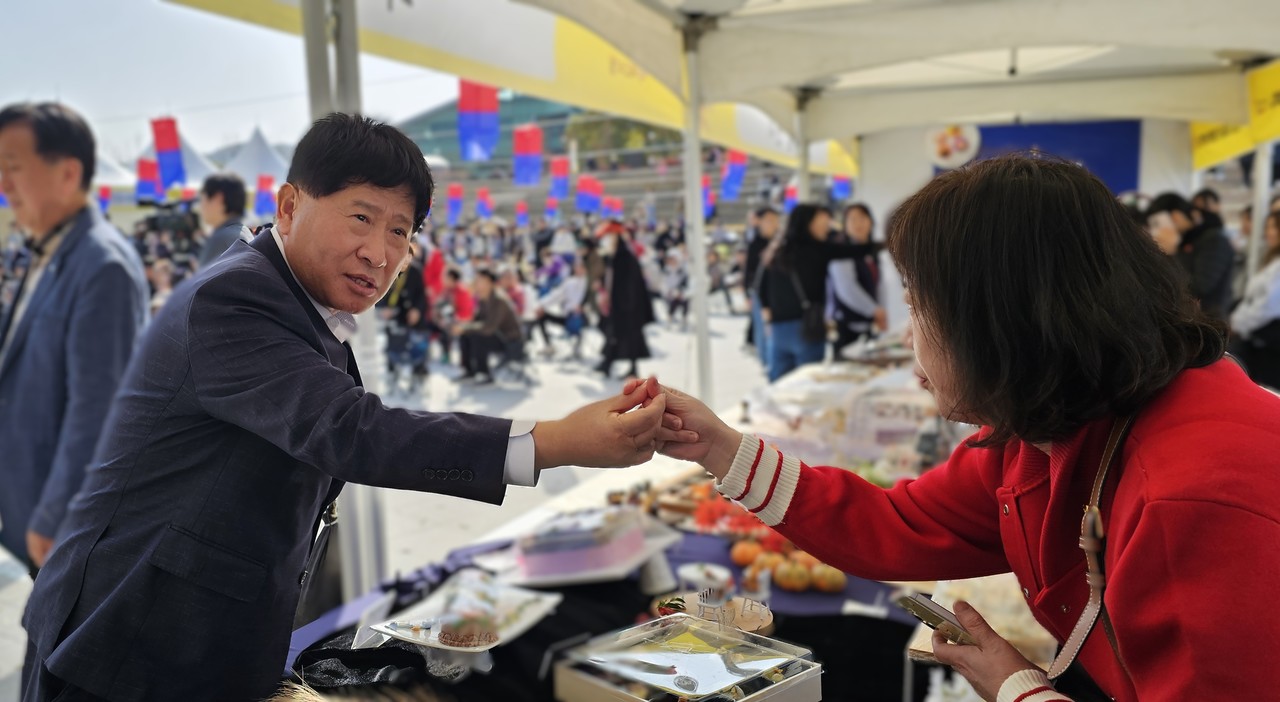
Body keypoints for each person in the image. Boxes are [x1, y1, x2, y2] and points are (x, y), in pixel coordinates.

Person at [21, 114, 670, 702]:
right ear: (289, 204)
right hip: (125, 641)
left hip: (204, 631)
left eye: (400, 232)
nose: (380, 253)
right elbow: (352, 429)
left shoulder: (301, 302)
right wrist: (552, 440)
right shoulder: (236, 300)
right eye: (361, 218)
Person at [643, 155, 1280, 702]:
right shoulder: (1058, 420)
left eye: (920, 307)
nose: (908, 334)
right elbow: (903, 522)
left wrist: (1016, 686)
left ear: (1002, 321)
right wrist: (723, 450)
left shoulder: (1191, 498)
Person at [0, 103, 149, 578]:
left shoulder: (102, 265)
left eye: (12, 168)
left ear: (68, 174)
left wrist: (54, 516)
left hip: (60, 526)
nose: (3, 186)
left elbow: (101, 408)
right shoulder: (50, 249)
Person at [756, 203, 877, 382]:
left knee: (779, 387)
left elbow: (759, 285)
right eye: (822, 223)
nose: (826, 228)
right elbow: (856, 250)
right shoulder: (817, 249)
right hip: (807, 328)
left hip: (777, 330)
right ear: (808, 224)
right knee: (808, 383)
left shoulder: (775, 250)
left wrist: (767, 310)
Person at [1145, 192, 1234, 322]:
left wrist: (1172, 253)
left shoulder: (1213, 239)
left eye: (1158, 223)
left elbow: (1201, 286)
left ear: (1175, 216)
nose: (1158, 231)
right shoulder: (1187, 240)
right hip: (1189, 319)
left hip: (1209, 323)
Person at [596, 221, 655, 379]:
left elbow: (629, 284)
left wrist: (625, 306)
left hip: (628, 306)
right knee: (615, 334)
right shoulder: (614, 256)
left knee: (628, 336)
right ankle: (608, 363)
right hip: (619, 304)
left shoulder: (625, 256)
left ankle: (614, 364)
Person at [827, 203, 887, 356]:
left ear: (871, 221)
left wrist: (879, 310)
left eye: (862, 218)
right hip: (846, 325)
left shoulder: (872, 251)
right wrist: (875, 310)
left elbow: (879, 284)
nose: (857, 223)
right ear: (845, 225)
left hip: (868, 323)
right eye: (851, 219)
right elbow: (847, 288)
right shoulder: (840, 252)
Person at [1229, 210, 1280, 388]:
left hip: (1271, 343)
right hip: (1259, 338)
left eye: (1273, 227)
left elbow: (1267, 307)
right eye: (1267, 227)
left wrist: (1237, 324)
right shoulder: (1272, 259)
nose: (1268, 232)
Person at [456, 268, 523, 383]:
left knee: (477, 336)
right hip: (496, 335)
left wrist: (466, 327)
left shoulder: (498, 299)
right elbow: (477, 321)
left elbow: (489, 327)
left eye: (479, 280)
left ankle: (485, 374)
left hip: (510, 341)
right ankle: (469, 371)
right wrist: (463, 326)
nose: (475, 283)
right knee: (465, 335)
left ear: (489, 282)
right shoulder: (483, 298)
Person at [743, 206, 780, 363]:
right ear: (760, 222)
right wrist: (747, 294)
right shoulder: (755, 244)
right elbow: (748, 270)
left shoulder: (781, 241)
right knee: (762, 330)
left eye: (775, 220)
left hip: (778, 293)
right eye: (768, 220)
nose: (772, 223)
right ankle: (766, 362)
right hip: (760, 293)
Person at [195, 172, 250, 268]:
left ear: (218, 199)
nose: (200, 207)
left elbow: (202, 282)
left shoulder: (220, 239)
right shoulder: (245, 233)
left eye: (202, 199)